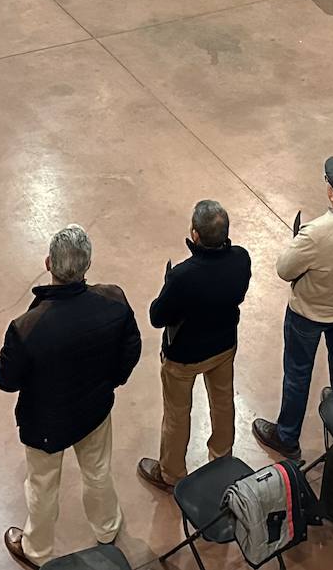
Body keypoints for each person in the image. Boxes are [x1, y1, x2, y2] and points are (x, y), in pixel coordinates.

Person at [0, 226, 142, 566]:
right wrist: (112, 381)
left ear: (48, 263)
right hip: (94, 411)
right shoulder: (114, 300)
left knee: (42, 486)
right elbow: (132, 347)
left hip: (45, 423)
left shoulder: (27, 326)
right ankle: (107, 529)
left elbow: (6, 379)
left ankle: (36, 549)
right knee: (98, 471)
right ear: (88, 265)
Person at [251, 157, 333, 458]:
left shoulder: (316, 233)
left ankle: (287, 436)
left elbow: (284, 270)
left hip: (308, 313)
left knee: (298, 373)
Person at [137, 200, 252, 491]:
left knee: (177, 413)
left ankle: (172, 473)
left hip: (184, 356)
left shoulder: (183, 276)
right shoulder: (241, 258)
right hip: (224, 345)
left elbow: (157, 316)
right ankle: (222, 458)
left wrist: (168, 287)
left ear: (195, 234)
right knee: (223, 403)